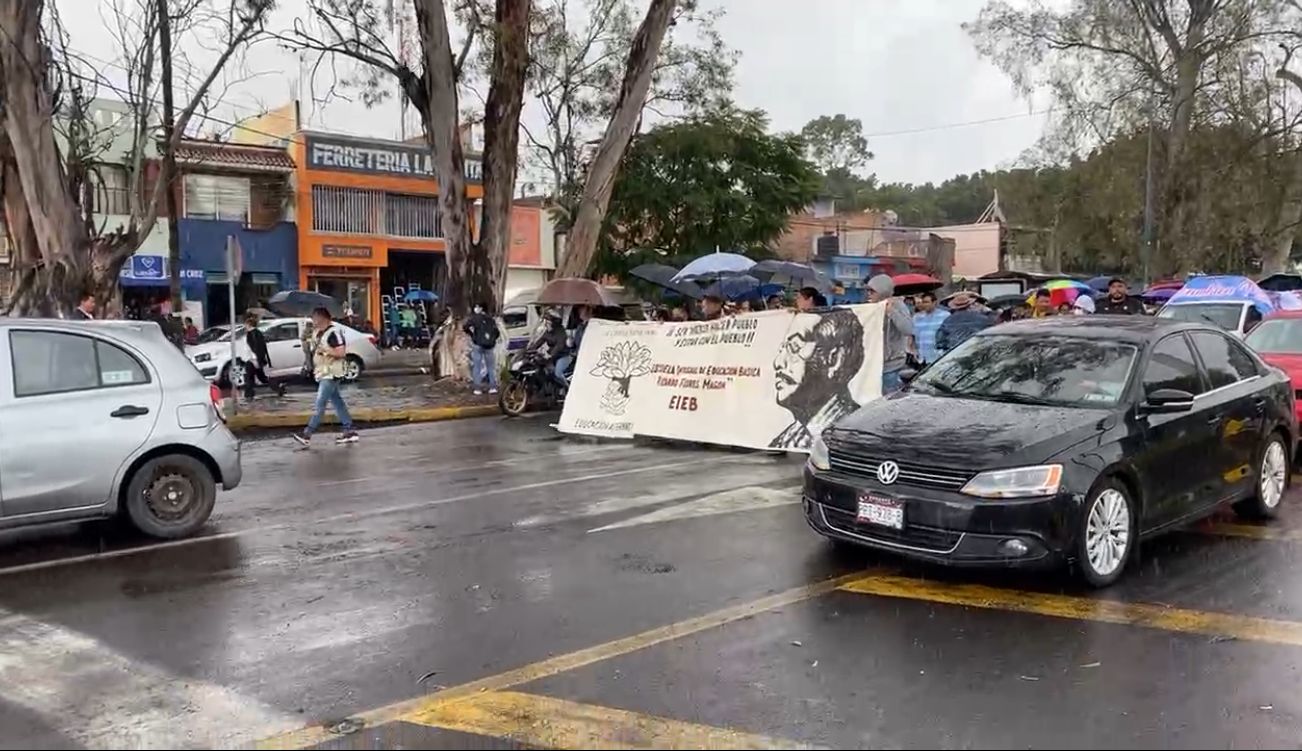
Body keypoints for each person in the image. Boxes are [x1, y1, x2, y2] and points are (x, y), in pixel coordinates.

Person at [769, 308, 865, 450]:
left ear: (834, 359)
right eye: (781, 349)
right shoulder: (787, 439)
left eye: (794, 347)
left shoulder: (856, 433)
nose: (778, 362)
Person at [292, 307, 359, 446]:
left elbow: (341, 353)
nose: (313, 321)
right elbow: (311, 349)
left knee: (320, 404)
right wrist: (305, 339)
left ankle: (307, 434)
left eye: (314, 318)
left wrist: (326, 351)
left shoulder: (334, 333)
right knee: (337, 403)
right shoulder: (318, 333)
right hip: (323, 373)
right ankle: (350, 430)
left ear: (322, 318)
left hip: (332, 373)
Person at [866, 274, 915, 394]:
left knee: (889, 399)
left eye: (872, 291)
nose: (869, 294)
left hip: (892, 363)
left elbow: (908, 329)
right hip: (874, 364)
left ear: (882, 290)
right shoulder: (870, 306)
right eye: (868, 291)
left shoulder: (897, 305)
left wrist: (890, 311)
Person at [242, 314, 286, 399]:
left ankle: (249, 394)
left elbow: (256, 348)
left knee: (250, 378)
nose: (245, 326)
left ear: (249, 325)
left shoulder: (253, 334)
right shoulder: (256, 333)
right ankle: (278, 388)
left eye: (246, 324)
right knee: (261, 378)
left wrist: (255, 360)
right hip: (255, 360)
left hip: (253, 360)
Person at [463, 302, 500, 395]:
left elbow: (465, 327)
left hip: (478, 344)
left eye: (477, 306)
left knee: (477, 367)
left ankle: (477, 389)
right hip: (489, 346)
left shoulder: (475, 318)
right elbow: (497, 332)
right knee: (491, 367)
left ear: (481, 308)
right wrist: (492, 340)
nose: (475, 308)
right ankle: (492, 387)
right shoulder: (491, 319)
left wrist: (473, 336)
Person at [911, 291, 949, 365]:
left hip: (938, 356)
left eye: (926, 302)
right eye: (923, 302)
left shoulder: (945, 315)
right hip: (922, 357)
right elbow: (913, 336)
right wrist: (914, 350)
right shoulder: (917, 317)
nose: (924, 305)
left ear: (934, 302)